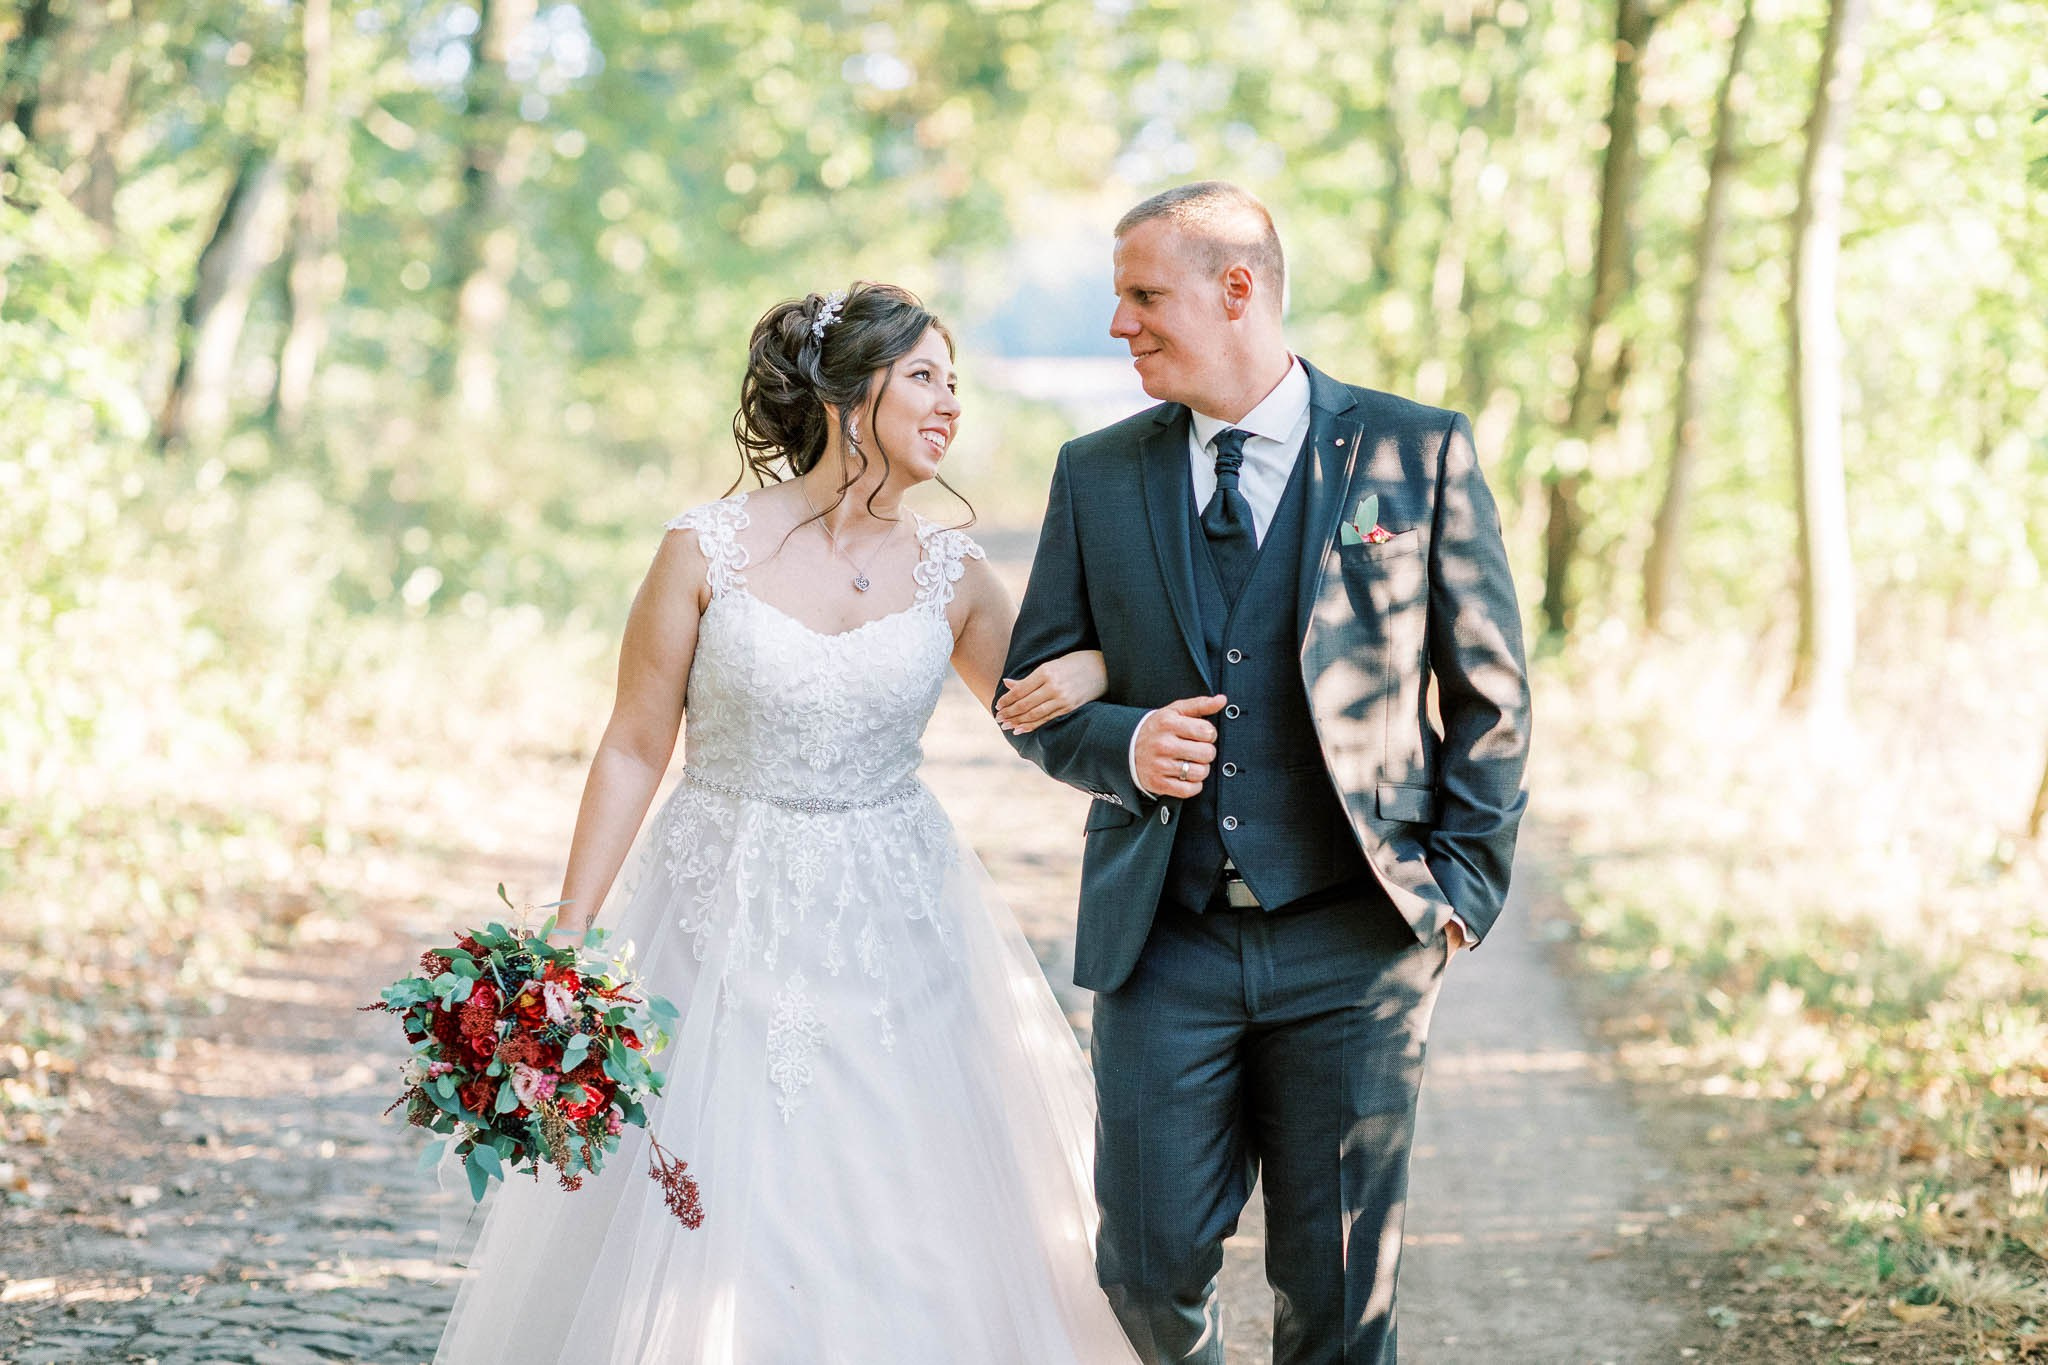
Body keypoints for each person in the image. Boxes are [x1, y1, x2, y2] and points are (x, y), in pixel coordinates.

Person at [429, 282, 1141, 1364]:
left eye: (955, 382)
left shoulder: (954, 572)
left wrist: (1089, 667)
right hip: (719, 904)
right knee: (716, 1183)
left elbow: (1041, 708)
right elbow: (633, 745)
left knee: (903, 1182)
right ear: (850, 399)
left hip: (897, 921)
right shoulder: (703, 548)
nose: (951, 403)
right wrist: (566, 936)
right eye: (924, 377)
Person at [999, 182, 1532, 1364]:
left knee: (1338, 1294)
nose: (1119, 324)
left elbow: (1489, 694)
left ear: (1236, 289)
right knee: (1142, 1276)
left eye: (1143, 296)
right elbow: (1028, 699)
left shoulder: (1414, 449)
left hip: (1356, 940)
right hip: (1163, 941)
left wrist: (1457, 891)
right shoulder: (1096, 474)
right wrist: (1124, 745)